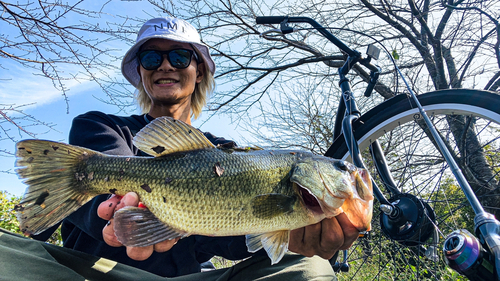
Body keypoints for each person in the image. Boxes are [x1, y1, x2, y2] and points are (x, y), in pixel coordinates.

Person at [2, 17, 360, 280]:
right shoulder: (98, 125)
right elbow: (102, 193)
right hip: (91, 273)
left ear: (199, 71)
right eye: (152, 59)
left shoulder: (226, 153)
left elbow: (235, 240)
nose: (166, 65)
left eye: (179, 55)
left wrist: (296, 236)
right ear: (140, 72)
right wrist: (113, 212)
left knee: (311, 269)